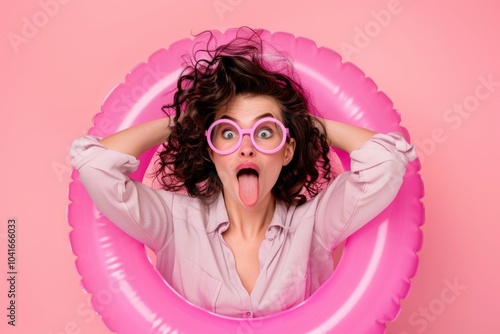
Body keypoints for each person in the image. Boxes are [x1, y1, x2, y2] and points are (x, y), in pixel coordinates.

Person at [70, 28, 416, 318]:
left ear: (286, 151)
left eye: (265, 133)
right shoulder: (173, 222)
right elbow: (96, 165)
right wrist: (187, 122)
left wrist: (301, 123)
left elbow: (387, 161)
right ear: (211, 149)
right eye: (228, 133)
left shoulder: (316, 223)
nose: (246, 148)